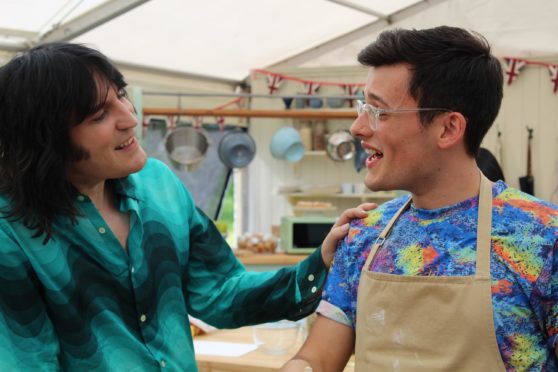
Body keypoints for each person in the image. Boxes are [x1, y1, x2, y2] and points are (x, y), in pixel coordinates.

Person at [0, 42, 375, 371]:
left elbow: (221, 292)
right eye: (99, 115)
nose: (130, 118)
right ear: (45, 138)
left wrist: (320, 263)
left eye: (122, 96)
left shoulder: (157, 185)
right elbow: (28, 361)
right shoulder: (11, 230)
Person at [282, 26, 558, 371]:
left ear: (447, 129)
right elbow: (318, 359)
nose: (357, 127)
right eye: (362, 106)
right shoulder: (365, 234)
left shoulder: (543, 238)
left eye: (379, 111)